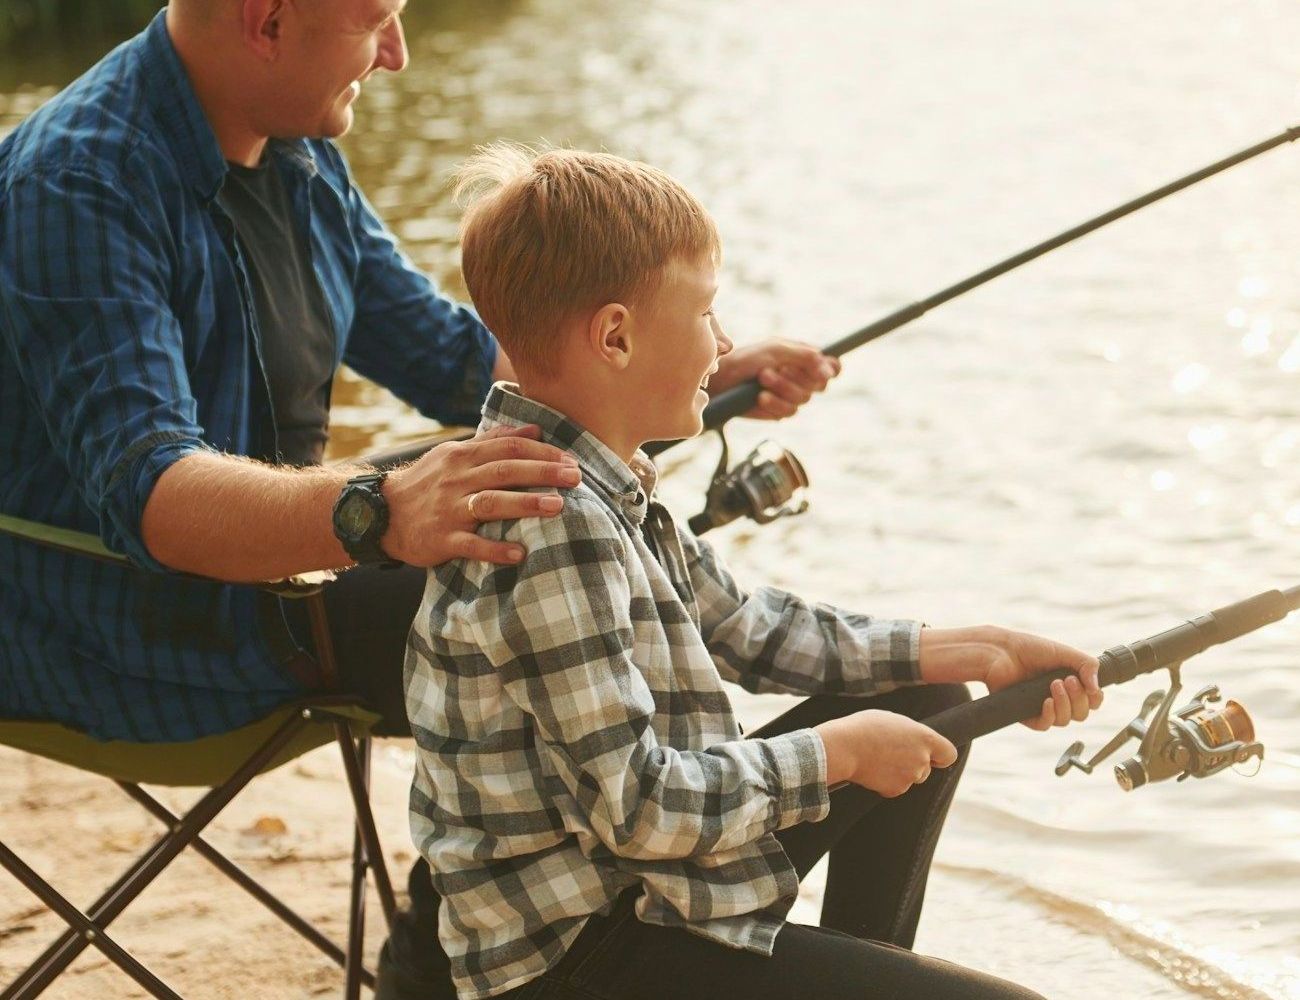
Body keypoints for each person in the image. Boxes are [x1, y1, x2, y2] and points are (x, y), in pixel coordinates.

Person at [0, 0, 836, 988]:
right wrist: (381, 512)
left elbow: (459, 359)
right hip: (120, 631)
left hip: (276, 584)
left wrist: (691, 365)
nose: (396, 54)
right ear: (265, 21)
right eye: (377, 21)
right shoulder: (79, 180)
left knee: (551, 536)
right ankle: (482, 967)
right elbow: (154, 496)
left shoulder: (299, 151)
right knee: (539, 583)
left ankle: (526, 950)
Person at [402, 144, 1104, 1000]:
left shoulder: (594, 478)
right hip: (583, 960)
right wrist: (836, 752)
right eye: (706, 313)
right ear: (616, 336)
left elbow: (750, 630)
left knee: (933, 701)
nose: (725, 343)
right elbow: (639, 810)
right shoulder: (550, 519)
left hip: (640, 899)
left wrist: (983, 650)